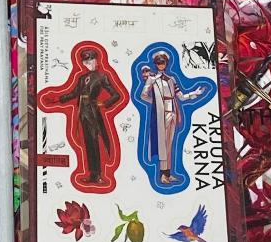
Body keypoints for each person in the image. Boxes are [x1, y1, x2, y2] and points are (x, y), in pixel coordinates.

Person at [57, 47, 123, 185]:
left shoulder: (101, 76)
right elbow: (75, 93)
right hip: (83, 113)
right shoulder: (82, 78)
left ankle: (98, 175)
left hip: (93, 113)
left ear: (96, 60)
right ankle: (92, 175)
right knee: (88, 144)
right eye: (86, 62)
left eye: (91, 61)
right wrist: (59, 99)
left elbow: (116, 95)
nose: (89, 64)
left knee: (95, 142)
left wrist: (104, 103)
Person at [139, 50, 206, 185]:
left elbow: (181, 96)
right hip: (161, 113)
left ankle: (168, 174)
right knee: (162, 145)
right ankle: (162, 175)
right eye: (158, 63)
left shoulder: (171, 79)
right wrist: (156, 103)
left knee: (169, 144)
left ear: (166, 63)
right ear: (155, 64)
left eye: (163, 62)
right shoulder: (152, 79)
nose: (161, 65)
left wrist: (195, 93)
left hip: (173, 112)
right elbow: (143, 95)